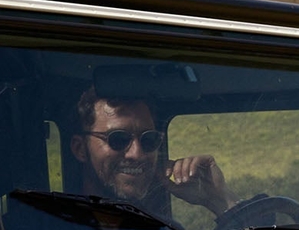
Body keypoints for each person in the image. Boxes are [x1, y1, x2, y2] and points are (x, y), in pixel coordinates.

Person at [70, 86, 237, 218]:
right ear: (80, 149)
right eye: (118, 139)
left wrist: (219, 199)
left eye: (149, 140)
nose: (137, 154)